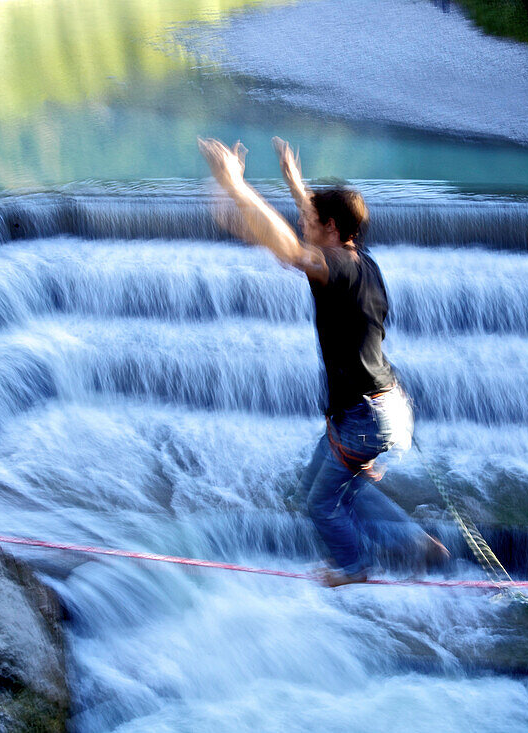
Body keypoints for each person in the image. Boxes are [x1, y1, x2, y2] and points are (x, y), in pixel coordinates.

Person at [198, 136, 448, 586]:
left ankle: (352, 569)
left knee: (322, 503)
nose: (301, 221)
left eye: (308, 218)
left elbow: (291, 252)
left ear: (331, 228)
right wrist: (295, 181)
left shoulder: (335, 266)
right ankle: (416, 546)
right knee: (328, 480)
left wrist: (237, 186)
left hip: (364, 416)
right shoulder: (360, 261)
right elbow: (310, 224)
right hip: (383, 407)